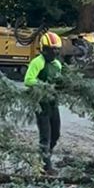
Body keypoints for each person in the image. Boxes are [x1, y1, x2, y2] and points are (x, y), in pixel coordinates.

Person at [24, 31, 63, 174]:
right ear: (44, 49)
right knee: (45, 136)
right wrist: (43, 85)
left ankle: (45, 157)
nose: (55, 51)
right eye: (52, 49)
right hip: (41, 104)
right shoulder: (37, 62)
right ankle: (46, 166)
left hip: (53, 103)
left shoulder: (57, 64)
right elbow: (28, 80)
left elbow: (59, 80)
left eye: (57, 49)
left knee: (56, 134)